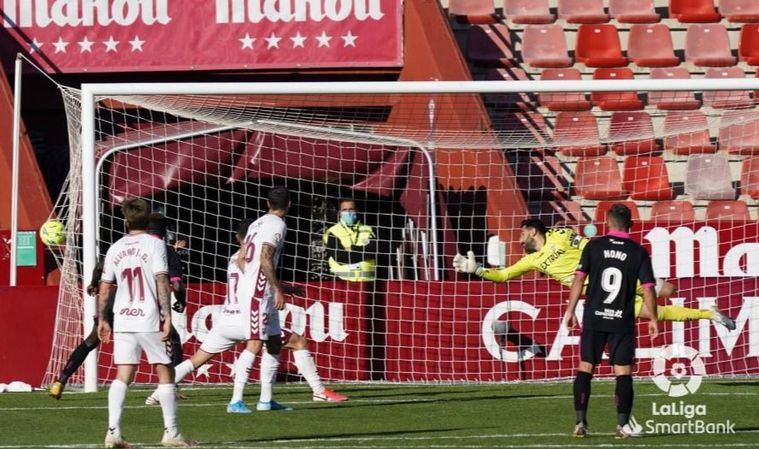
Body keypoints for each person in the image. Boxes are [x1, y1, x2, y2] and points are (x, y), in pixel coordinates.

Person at [144, 212, 347, 411]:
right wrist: (280, 289)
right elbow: (258, 281)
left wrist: (284, 287)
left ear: (238, 237)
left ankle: (156, 394)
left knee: (196, 360)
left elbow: (249, 279)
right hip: (244, 319)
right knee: (296, 342)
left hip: (225, 321)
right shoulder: (254, 258)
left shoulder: (236, 259)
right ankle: (315, 391)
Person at [452, 218, 735, 329]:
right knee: (655, 314)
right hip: (601, 294)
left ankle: (707, 303)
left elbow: (589, 244)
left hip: (615, 275)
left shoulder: (561, 235)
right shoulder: (533, 260)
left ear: (532, 231)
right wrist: (476, 269)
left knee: (668, 292)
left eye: (521, 234)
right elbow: (503, 276)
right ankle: (708, 314)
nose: (519, 240)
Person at [48, 213, 187, 400]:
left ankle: (61, 381)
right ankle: (172, 387)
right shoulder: (163, 249)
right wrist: (181, 300)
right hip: (146, 307)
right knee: (173, 340)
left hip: (118, 302)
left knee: (91, 341)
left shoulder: (123, 245)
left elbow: (101, 265)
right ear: (164, 232)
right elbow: (176, 284)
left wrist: (93, 283)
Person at [97, 198, 193, 448]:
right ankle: (171, 433)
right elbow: (162, 280)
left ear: (126, 219)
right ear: (148, 217)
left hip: (124, 319)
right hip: (148, 317)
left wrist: (103, 319)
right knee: (165, 371)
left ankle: (113, 432)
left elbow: (105, 286)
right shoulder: (155, 245)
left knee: (123, 374)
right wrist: (167, 316)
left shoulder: (115, 248)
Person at [562, 204, 659, 438]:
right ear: (630, 224)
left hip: (594, 317)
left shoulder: (594, 246)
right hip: (621, 321)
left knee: (586, 367)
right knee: (623, 372)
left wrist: (570, 310)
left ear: (607, 221)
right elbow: (648, 289)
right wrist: (653, 317)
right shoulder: (638, 251)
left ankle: (580, 423)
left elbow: (578, 280)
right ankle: (622, 426)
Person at [323, 198, 377, 282]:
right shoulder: (332, 232)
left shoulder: (368, 229)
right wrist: (363, 251)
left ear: (356, 210)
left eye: (351, 209)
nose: (348, 213)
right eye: (344, 210)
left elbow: (373, 251)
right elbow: (340, 257)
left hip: (367, 280)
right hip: (342, 280)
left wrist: (352, 248)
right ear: (340, 213)